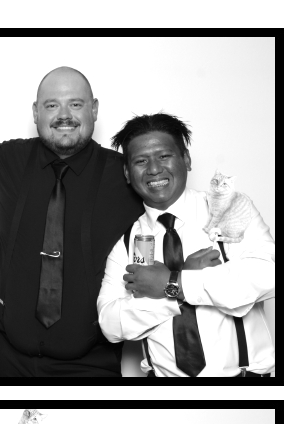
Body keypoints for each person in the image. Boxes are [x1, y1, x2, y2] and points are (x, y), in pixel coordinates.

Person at [0, 67, 141, 379]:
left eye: (75, 104)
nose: (64, 115)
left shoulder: (126, 175)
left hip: (92, 367)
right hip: (11, 362)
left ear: (94, 109)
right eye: (52, 105)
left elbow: (171, 202)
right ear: (36, 112)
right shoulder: (7, 159)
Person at [97, 113, 275, 379]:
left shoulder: (227, 209)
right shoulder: (127, 242)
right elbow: (111, 325)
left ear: (187, 160)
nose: (154, 169)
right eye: (141, 161)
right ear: (127, 173)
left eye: (164, 156)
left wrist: (174, 282)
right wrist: (173, 292)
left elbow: (267, 275)